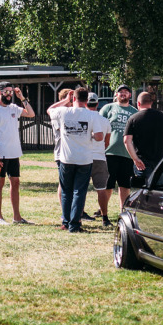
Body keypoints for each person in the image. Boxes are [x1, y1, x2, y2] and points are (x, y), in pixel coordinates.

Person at [47, 87, 107, 232]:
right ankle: (75, 224)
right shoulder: (92, 115)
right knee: (79, 192)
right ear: (87, 101)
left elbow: (49, 110)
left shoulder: (63, 112)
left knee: (66, 191)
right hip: (85, 159)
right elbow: (100, 137)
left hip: (66, 158)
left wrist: (65, 100)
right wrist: (89, 136)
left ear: (74, 98)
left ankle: (66, 222)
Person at [0, 81, 35, 225]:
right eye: (6, 92)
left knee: (15, 182)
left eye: (11, 92)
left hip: (14, 152)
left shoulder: (14, 107)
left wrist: (22, 98)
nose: (9, 95)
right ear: (0, 92)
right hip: (1, 153)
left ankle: (17, 217)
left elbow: (31, 114)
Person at [123, 90, 163, 188]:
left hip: (142, 162)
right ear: (151, 103)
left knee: (142, 191)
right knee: (159, 190)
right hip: (161, 160)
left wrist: (135, 159)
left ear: (138, 103)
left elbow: (127, 140)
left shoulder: (133, 119)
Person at [99, 84, 139, 211]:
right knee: (108, 185)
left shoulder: (134, 112)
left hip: (127, 154)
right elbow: (99, 125)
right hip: (109, 152)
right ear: (116, 94)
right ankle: (103, 210)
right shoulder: (108, 108)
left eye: (126, 92)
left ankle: (124, 210)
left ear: (130, 95)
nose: (123, 94)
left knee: (125, 185)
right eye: (120, 92)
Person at [86, 92, 114, 225]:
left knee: (80, 188)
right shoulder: (105, 121)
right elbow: (107, 142)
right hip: (100, 157)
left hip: (84, 156)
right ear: (97, 104)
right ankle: (105, 217)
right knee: (101, 188)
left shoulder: (83, 117)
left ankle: (78, 213)